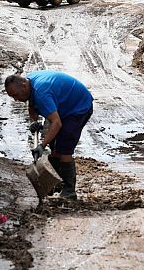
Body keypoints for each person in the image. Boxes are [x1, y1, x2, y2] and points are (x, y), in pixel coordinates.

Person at [5, 70, 94, 200]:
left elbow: (56, 123)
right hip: (63, 107)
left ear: (24, 86)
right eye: (12, 97)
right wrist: (34, 122)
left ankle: (69, 191)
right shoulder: (29, 83)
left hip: (78, 107)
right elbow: (32, 106)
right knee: (54, 146)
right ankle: (56, 182)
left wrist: (42, 145)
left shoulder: (41, 92)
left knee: (64, 147)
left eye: (16, 95)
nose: (16, 99)